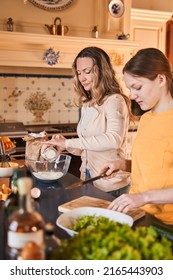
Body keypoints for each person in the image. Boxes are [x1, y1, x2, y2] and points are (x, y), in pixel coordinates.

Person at [41, 46, 134, 194]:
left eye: (87, 72)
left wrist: (68, 142)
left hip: (111, 184)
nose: (82, 78)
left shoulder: (114, 100)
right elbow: (88, 149)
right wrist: (65, 146)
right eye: (79, 73)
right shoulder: (87, 104)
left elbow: (113, 139)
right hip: (88, 178)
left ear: (102, 71)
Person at [99, 47, 173, 224]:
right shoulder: (146, 119)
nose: (132, 96)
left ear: (161, 79)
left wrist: (144, 197)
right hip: (138, 215)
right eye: (130, 89)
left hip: (166, 225)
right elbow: (156, 167)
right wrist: (122, 164)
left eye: (137, 87)